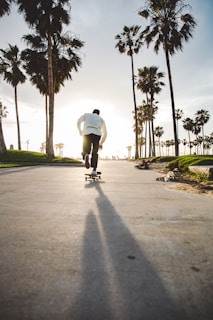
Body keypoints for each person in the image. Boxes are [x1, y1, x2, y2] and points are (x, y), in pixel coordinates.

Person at [77, 109, 107, 176]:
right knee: (95, 153)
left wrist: (80, 130)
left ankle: (85, 156)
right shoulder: (101, 119)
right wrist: (101, 143)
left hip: (87, 134)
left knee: (86, 150)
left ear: (92, 112)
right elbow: (105, 133)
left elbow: (78, 121)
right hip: (97, 135)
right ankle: (94, 170)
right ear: (98, 114)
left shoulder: (86, 115)